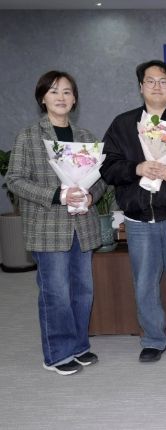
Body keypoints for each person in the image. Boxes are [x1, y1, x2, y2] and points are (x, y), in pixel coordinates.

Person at [100, 60, 166, 363]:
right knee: (144, 281)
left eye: (163, 81)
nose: (157, 86)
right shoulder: (123, 125)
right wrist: (136, 168)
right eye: (150, 81)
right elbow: (107, 166)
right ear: (140, 87)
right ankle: (152, 339)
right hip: (138, 217)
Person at [6, 71, 106, 375]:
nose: (61, 97)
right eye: (53, 91)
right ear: (42, 98)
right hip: (48, 228)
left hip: (83, 226)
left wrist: (90, 196)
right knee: (56, 293)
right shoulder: (29, 136)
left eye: (66, 92)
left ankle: (79, 346)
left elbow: (101, 180)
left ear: (74, 99)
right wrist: (56, 195)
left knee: (83, 291)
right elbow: (15, 180)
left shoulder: (86, 137)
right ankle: (57, 354)